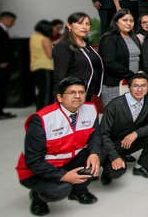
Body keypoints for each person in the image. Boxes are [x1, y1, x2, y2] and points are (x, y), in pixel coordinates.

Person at [16, 77, 102, 216]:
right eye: (71, 92)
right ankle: (38, 198)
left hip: (68, 160)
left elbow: (95, 136)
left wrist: (94, 153)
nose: (77, 96)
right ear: (60, 97)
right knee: (62, 189)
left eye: (81, 92)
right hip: (37, 170)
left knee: (98, 154)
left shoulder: (90, 109)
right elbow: (33, 161)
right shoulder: (42, 119)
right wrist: (64, 176)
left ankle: (79, 191)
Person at [100, 73, 148, 185]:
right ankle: (108, 168)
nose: (139, 89)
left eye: (143, 86)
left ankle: (141, 166)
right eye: (135, 86)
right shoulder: (115, 105)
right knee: (116, 172)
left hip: (132, 140)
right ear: (129, 87)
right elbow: (103, 134)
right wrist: (114, 156)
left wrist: (135, 134)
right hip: (114, 145)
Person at [53, 12, 103, 102]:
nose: (84, 27)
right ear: (69, 26)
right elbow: (60, 76)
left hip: (87, 95)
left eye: (87, 24)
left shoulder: (88, 45)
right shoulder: (63, 46)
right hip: (72, 98)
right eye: (80, 23)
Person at [98, 9, 142, 108]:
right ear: (116, 21)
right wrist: (131, 75)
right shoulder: (109, 38)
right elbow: (109, 62)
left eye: (131, 21)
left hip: (133, 84)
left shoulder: (134, 38)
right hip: (115, 85)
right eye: (125, 20)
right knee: (115, 117)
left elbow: (139, 58)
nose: (129, 23)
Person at [30, 20, 55, 111]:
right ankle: (45, 111)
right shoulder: (45, 39)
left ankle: (40, 110)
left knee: (41, 91)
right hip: (46, 67)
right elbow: (49, 54)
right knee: (47, 92)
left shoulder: (34, 37)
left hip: (36, 66)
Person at [0, 12, 17, 119]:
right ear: (5, 19)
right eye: (12, 20)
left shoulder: (2, 29)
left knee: (2, 87)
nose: (14, 23)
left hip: (4, 65)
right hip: (0, 65)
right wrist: (1, 61)